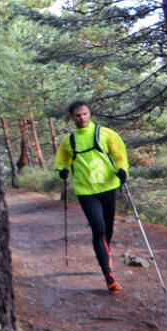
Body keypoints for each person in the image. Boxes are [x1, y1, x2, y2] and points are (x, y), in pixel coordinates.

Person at [55, 101, 130, 292]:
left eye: (85, 114)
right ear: (72, 117)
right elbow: (62, 161)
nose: (82, 118)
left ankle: (106, 253)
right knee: (99, 229)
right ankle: (108, 275)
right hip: (85, 191)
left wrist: (122, 170)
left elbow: (119, 154)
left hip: (107, 187)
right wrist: (62, 171)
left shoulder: (105, 134)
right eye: (78, 115)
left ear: (90, 114)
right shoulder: (69, 141)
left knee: (108, 230)